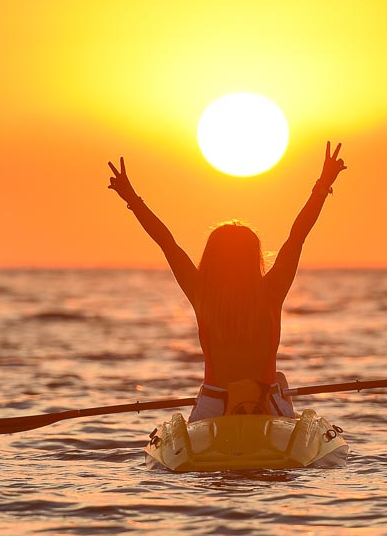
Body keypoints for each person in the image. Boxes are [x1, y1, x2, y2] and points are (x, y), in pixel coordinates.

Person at [106, 142, 347, 420]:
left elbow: (167, 243)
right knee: (279, 381)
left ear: (212, 257)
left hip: (213, 405)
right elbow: (297, 236)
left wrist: (132, 199)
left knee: (273, 381)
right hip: (266, 404)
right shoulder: (271, 291)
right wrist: (323, 185)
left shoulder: (200, 291)